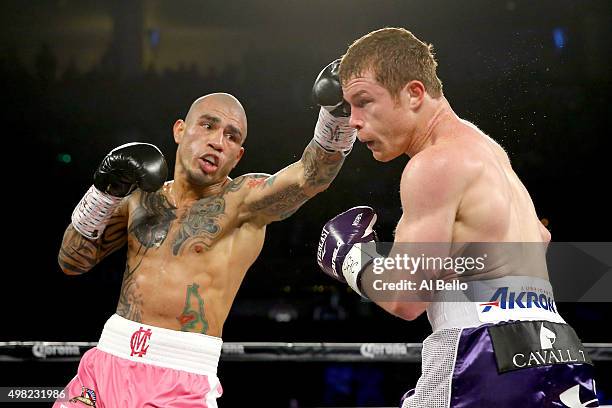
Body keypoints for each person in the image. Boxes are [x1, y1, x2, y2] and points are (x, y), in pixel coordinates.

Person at [316, 28, 599, 407]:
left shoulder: (433, 164)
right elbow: (538, 239)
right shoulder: (487, 150)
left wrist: (354, 260)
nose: (353, 120)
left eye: (364, 102)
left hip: (481, 354)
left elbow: (406, 298)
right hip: (560, 352)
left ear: (414, 93)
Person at [55, 67, 357, 407]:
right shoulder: (140, 197)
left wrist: (337, 114)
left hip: (179, 377)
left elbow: (310, 176)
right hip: (106, 360)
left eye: (232, 136)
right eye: (208, 125)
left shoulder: (244, 201)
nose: (217, 141)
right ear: (179, 130)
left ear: (238, 155)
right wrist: (103, 192)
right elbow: (71, 261)